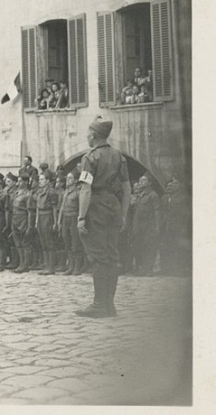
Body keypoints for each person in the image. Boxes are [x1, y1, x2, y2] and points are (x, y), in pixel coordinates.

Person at [76, 116, 131, 318]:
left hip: (96, 207)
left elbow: (85, 189)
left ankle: (100, 305)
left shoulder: (89, 158)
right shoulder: (119, 157)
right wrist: (123, 215)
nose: (87, 137)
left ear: (92, 134)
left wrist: (81, 217)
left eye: (88, 133)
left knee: (99, 257)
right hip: (114, 208)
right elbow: (127, 189)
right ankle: (109, 304)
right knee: (111, 255)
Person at [160, 176, 191, 276]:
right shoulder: (167, 197)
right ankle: (167, 269)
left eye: (176, 183)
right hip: (167, 227)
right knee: (167, 248)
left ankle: (179, 270)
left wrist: (184, 227)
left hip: (179, 227)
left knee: (178, 248)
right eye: (172, 183)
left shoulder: (184, 198)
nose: (173, 185)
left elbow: (187, 214)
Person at [130, 173, 160, 276]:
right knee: (138, 246)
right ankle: (140, 268)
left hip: (149, 225)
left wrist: (157, 225)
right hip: (138, 225)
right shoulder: (139, 195)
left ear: (150, 183)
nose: (141, 182)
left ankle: (148, 269)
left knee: (149, 247)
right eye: (140, 180)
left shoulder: (153, 195)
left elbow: (156, 211)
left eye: (144, 180)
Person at [58, 170, 84, 275]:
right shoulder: (66, 191)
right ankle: (71, 266)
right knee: (67, 240)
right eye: (67, 178)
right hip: (66, 218)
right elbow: (62, 207)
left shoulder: (78, 192)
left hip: (74, 217)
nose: (67, 180)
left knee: (75, 242)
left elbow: (81, 208)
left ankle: (77, 267)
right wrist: (59, 221)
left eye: (70, 178)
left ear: (76, 180)